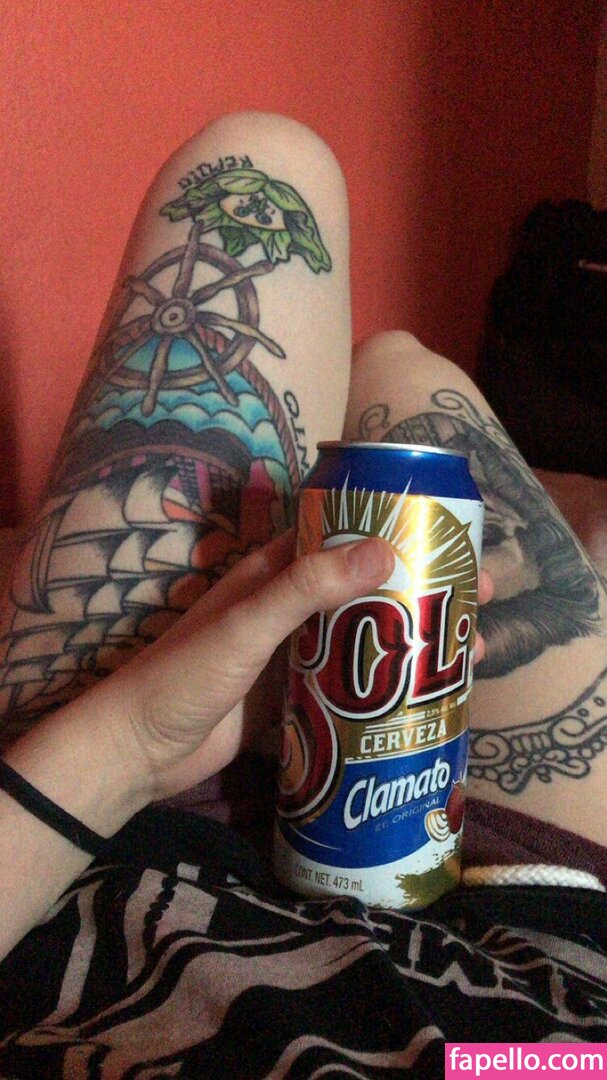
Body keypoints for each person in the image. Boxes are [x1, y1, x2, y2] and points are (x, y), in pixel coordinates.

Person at [0, 113, 605, 1075]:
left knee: (268, 154)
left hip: (103, 847)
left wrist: (130, 743)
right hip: (547, 946)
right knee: (400, 365)